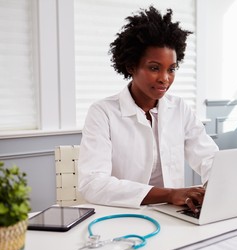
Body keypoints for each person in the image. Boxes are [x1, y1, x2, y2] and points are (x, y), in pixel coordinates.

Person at [78, 6, 219, 213]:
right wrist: (170, 194)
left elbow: (208, 158)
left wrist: (218, 188)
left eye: (171, 69)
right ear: (131, 66)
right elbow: (93, 184)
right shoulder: (102, 113)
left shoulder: (179, 108)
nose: (165, 78)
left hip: (174, 215)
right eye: (154, 68)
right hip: (123, 215)